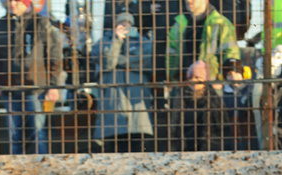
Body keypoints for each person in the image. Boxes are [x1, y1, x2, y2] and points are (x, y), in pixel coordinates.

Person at [0, 0, 63, 154]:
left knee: (38, 133)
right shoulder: (1, 25)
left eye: (16, 1)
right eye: (9, 1)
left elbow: (54, 55)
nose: (12, 4)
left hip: (35, 88)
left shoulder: (41, 23)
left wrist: (53, 85)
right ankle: (17, 171)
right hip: (9, 87)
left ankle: (41, 168)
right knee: (15, 135)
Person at [90, 11, 154, 152]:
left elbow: (147, 62)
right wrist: (117, 40)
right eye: (121, 23)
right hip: (113, 103)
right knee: (113, 148)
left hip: (137, 106)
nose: (125, 26)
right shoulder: (104, 41)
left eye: (128, 23)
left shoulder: (144, 41)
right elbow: (107, 63)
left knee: (138, 146)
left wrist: (119, 61)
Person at [165, 0, 240, 84]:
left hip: (211, 85)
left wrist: (232, 70)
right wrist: (171, 79)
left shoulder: (220, 23)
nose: (189, 1)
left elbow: (230, 52)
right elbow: (170, 55)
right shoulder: (178, 24)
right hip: (183, 85)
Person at [170, 59, 225, 150]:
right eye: (191, 77)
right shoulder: (181, 97)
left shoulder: (213, 97)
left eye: (198, 77)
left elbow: (220, 127)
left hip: (211, 148)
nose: (193, 80)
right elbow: (175, 124)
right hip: (186, 146)